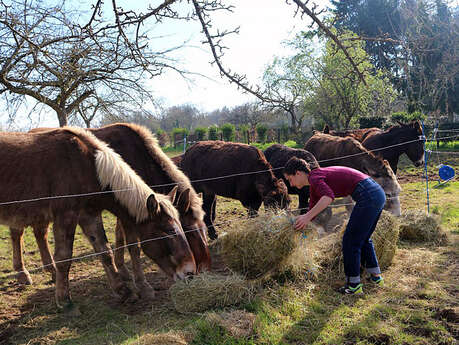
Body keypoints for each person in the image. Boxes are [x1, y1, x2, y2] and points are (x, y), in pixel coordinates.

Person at [283, 157, 385, 294]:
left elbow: (328, 197)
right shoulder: (315, 182)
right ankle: (376, 277)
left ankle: (353, 285)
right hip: (376, 192)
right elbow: (312, 209)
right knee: (363, 238)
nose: (291, 185)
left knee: (350, 240)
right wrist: (299, 221)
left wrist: (306, 217)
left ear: (298, 173)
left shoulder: (314, 177)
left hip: (368, 194)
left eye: (290, 179)